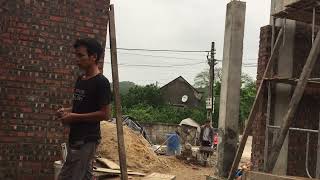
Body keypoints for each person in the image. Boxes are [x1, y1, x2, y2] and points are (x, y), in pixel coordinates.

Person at [57, 38, 112, 180]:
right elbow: (80, 106)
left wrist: (73, 117)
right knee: (85, 176)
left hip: (87, 139)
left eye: (81, 55)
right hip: (75, 136)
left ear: (93, 57)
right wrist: (67, 111)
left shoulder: (102, 83)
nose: (77, 59)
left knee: (68, 176)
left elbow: (105, 114)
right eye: (76, 55)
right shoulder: (81, 79)